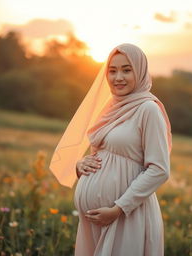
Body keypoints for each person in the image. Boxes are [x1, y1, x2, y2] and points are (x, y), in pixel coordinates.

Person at [49, 43, 172, 256]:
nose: (118, 77)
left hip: (127, 215)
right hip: (94, 222)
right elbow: (102, 154)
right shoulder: (110, 107)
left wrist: (118, 208)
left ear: (140, 71)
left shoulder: (148, 109)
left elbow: (159, 169)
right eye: (112, 71)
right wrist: (79, 165)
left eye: (127, 69)